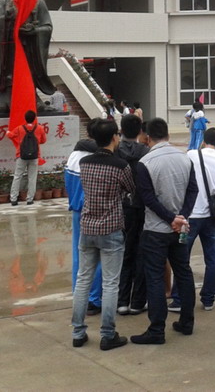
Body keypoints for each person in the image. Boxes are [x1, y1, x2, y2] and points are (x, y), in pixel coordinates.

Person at [131, 118, 199, 345]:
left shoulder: (145, 163)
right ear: (168, 135)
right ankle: (187, 322)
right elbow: (193, 190)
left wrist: (171, 218)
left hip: (155, 230)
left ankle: (156, 329)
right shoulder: (185, 158)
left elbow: (147, 198)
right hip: (180, 228)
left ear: (147, 137)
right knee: (183, 272)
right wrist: (182, 217)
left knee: (154, 277)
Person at [71, 119, 135, 351]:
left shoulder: (84, 163)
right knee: (110, 283)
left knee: (83, 280)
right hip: (111, 228)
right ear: (114, 138)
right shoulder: (120, 166)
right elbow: (131, 189)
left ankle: (78, 332)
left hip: (87, 227)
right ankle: (108, 334)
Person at [170, 127, 215, 313]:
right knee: (211, 258)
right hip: (211, 217)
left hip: (190, 215)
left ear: (203, 140)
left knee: (182, 258)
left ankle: (179, 299)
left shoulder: (191, 155)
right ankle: (208, 299)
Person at [65, 119, 103, 317]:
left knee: (79, 255)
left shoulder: (74, 155)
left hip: (77, 211)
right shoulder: (98, 157)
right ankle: (94, 299)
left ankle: (79, 295)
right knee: (99, 257)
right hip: (95, 212)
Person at [116, 114, 150, 315]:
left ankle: (122, 300)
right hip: (143, 206)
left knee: (124, 252)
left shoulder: (115, 152)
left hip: (122, 207)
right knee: (141, 252)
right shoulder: (146, 152)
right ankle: (138, 301)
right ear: (140, 131)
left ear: (121, 130)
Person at [9, 110, 47, 206]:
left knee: (17, 176)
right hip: (34, 156)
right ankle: (30, 199)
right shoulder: (40, 128)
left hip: (21, 155)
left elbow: (11, 135)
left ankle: (13, 198)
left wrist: (7, 132)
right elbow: (43, 141)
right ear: (34, 118)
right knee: (32, 177)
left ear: (25, 118)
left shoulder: (19, 128)